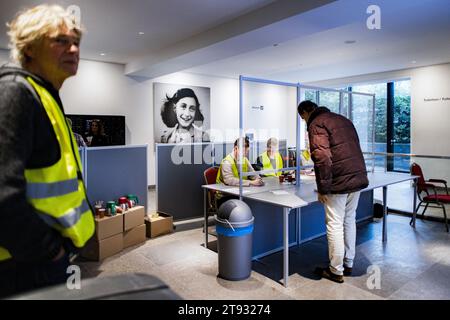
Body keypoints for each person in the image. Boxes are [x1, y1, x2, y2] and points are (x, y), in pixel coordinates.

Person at [0, 5, 95, 297]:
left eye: (76, 41)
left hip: (43, 258)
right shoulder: (16, 92)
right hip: (24, 265)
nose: (73, 48)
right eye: (60, 41)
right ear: (29, 48)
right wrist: (49, 251)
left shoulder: (45, 95)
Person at [297, 100, 368, 284]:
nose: (304, 122)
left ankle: (336, 270)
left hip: (339, 181)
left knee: (334, 223)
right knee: (349, 219)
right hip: (357, 177)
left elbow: (322, 158)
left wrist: (323, 189)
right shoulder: (342, 119)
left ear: (307, 111)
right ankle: (348, 262)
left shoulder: (316, 124)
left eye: (303, 117)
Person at [215, 137, 264, 207]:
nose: (245, 154)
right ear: (235, 148)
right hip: (225, 196)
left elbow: (252, 173)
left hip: (240, 193)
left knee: (256, 199)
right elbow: (229, 180)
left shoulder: (244, 160)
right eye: (243, 152)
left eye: (246, 151)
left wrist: (258, 179)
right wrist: (251, 182)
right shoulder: (227, 162)